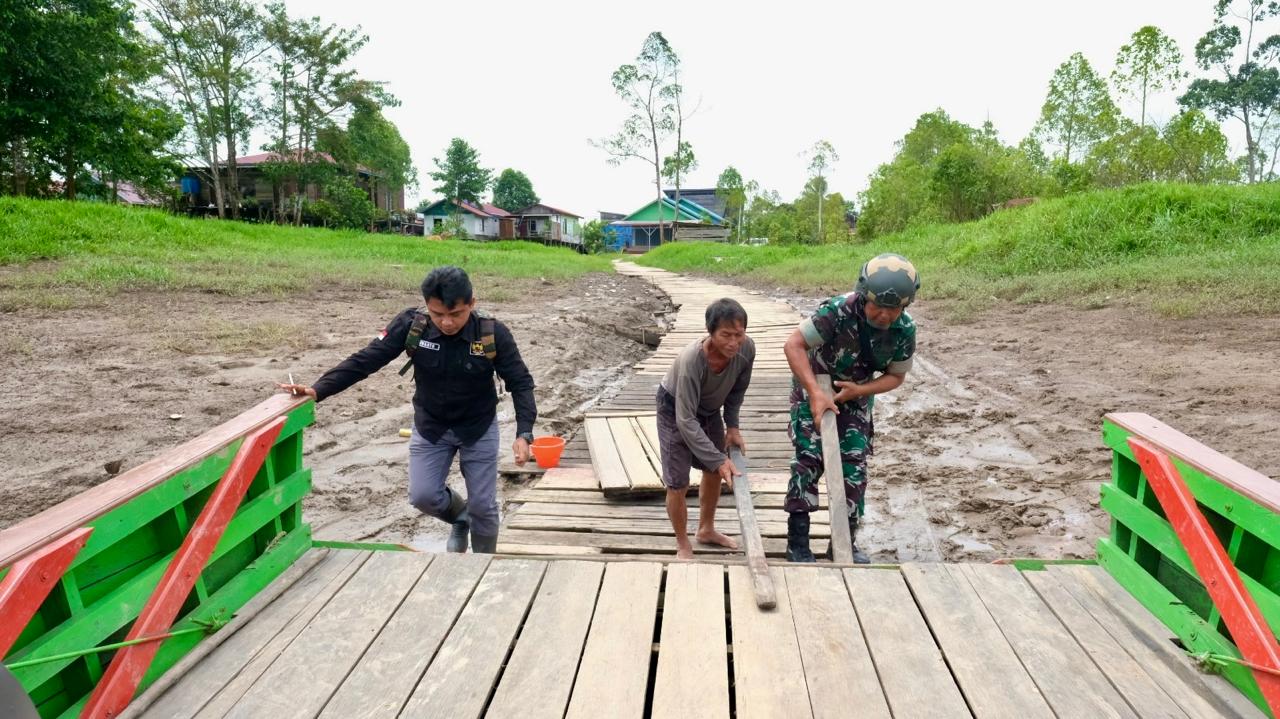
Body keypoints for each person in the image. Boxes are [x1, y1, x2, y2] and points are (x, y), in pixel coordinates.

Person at [278, 266, 536, 554]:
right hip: (432, 425)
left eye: (456, 314)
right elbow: (367, 359)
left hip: (478, 427)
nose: (447, 322)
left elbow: (521, 383)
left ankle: (482, 563)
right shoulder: (412, 325)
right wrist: (319, 389)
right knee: (423, 496)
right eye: (438, 314)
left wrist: (524, 433)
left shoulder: (492, 333)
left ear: (472, 303)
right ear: (426, 305)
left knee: (484, 507)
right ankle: (460, 517)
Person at [781, 253, 919, 563]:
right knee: (808, 458)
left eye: (893, 309)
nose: (884, 315)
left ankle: (844, 542)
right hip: (814, 386)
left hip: (854, 396)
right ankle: (798, 541)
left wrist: (860, 390)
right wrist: (815, 393)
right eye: (877, 307)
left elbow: (896, 376)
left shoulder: (905, 329)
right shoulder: (838, 310)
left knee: (854, 466)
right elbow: (793, 345)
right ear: (864, 296)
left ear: (904, 306)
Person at [655, 298, 755, 559]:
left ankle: (706, 530)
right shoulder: (693, 361)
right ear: (710, 332)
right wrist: (719, 459)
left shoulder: (747, 349)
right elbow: (685, 420)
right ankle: (682, 543)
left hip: (709, 409)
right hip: (675, 407)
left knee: (713, 471)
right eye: (725, 335)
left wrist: (732, 426)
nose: (733, 342)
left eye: (739, 334)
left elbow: (737, 390)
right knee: (677, 481)